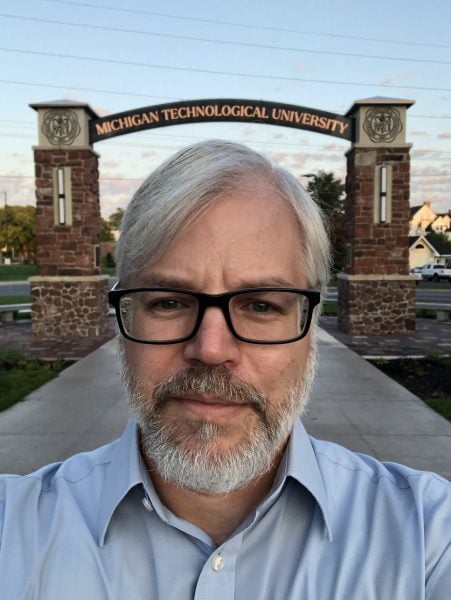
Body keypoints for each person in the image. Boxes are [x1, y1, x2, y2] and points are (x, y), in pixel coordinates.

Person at [1, 140, 450, 599]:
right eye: (169, 302)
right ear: (125, 317)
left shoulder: (426, 535)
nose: (211, 349)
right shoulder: (14, 531)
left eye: (260, 305)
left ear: (311, 325)